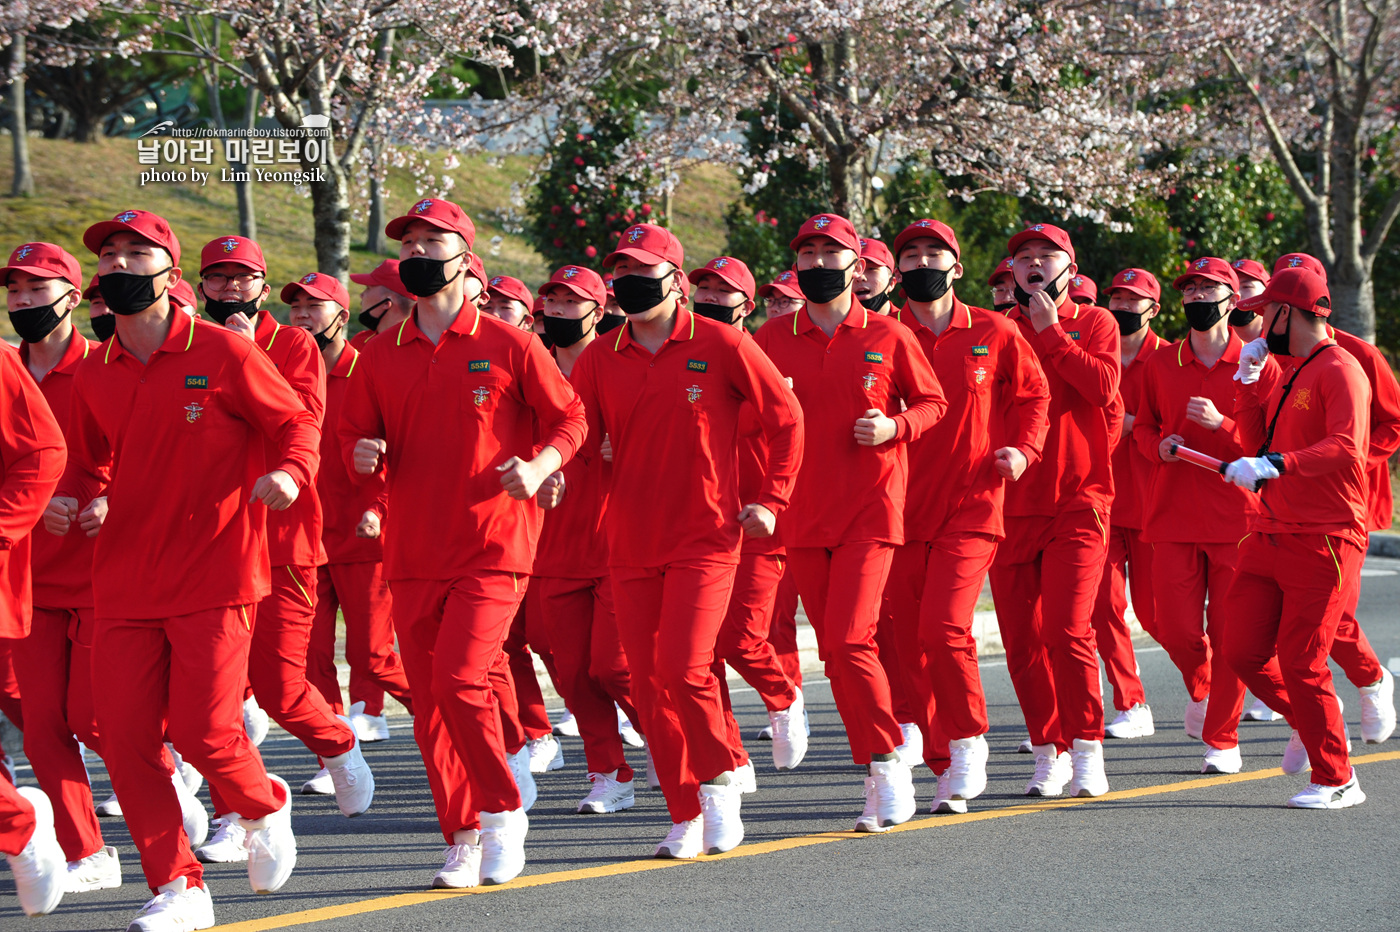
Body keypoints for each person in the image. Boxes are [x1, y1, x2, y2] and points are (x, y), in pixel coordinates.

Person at [59, 208, 317, 929]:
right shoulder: (95, 370)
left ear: (171, 273)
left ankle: (265, 803)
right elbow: (84, 463)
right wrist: (74, 500)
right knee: (128, 735)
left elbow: (295, 421)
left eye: (135, 254)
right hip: (124, 581)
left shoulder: (225, 353)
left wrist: (292, 474)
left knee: (207, 733)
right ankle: (180, 887)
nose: (117, 265)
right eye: (108, 255)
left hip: (217, 571)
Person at [340, 197, 586, 887]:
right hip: (414, 552)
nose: (418, 253)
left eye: (431, 242)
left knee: (459, 680)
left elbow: (571, 418)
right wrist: (365, 460)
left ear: (463, 254)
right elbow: (354, 437)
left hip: (495, 543)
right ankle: (463, 834)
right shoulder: (378, 353)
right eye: (408, 243)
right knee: (430, 713)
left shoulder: (509, 344)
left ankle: (503, 811)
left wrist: (540, 465)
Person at [571, 222, 802, 859]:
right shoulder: (600, 356)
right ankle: (683, 810)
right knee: (645, 681)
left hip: (706, 535)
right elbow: (575, 430)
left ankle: (720, 783)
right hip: (629, 539)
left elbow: (787, 420)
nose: (628, 282)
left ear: (674, 280)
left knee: (684, 666)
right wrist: (548, 466)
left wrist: (771, 500)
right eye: (620, 272)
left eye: (643, 271)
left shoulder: (723, 344)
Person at [754, 213, 946, 832]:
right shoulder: (771, 339)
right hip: (804, 515)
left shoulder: (889, 334)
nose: (814, 264)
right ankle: (880, 764)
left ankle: (888, 769)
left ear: (856, 268)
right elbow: (735, 413)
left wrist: (896, 427)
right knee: (836, 657)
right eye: (805, 254)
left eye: (827, 254)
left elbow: (934, 402)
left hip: (872, 510)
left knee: (846, 640)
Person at [197, 239, 373, 821]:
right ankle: (236, 814)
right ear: (199, 287)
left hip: (282, 543)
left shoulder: (293, 344)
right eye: (217, 280)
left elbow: (298, 426)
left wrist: (243, 355)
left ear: (262, 287)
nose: (229, 290)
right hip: (213, 548)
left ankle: (338, 743)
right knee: (217, 699)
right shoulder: (187, 347)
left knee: (279, 689)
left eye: (241, 279)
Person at [881, 219, 1050, 814]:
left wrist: (1023, 451)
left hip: (973, 506)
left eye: (935, 253)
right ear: (897, 271)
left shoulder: (994, 330)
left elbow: (1034, 397)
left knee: (943, 629)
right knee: (907, 643)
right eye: (911, 254)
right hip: (895, 511)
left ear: (955, 267)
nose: (922, 262)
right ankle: (942, 760)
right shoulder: (881, 334)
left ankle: (971, 738)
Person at [1222, 266, 1370, 808]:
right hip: (1272, 532)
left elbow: (1346, 447)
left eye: (1264, 314)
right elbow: (1251, 441)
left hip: (1326, 536)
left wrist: (1275, 465)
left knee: (1303, 660)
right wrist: (1243, 382)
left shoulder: (1340, 370)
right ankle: (1320, 726)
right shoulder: (1288, 368)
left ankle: (1337, 779)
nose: (1256, 323)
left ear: (1287, 313)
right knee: (1239, 651)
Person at [3, 242, 122, 894]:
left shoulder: (107, 368)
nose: (23, 302)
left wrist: (111, 497)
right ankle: (87, 854)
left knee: (95, 719)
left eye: (36, 290)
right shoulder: (6, 368)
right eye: (14, 291)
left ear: (72, 298)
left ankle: (173, 784)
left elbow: (155, 452)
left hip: (106, 574)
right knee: (44, 726)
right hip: (31, 578)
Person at [989, 223, 1121, 799]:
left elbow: (1103, 390)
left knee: (1069, 629)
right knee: (1021, 639)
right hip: (1009, 505)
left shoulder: (1097, 322)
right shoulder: (993, 328)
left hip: (1078, 500)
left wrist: (1052, 333)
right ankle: (1049, 750)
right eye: (1024, 258)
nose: (1034, 265)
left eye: (1047, 256)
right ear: (1011, 271)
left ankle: (1087, 747)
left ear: (1070, 266)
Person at [1134, 258, 1266, 773]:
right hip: (1172, 514)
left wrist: (1226, 425)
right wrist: (1157, 446)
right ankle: (1202, 685)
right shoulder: (1161, 363)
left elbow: (1270, 444)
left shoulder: (1257, 362)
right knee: (1174, 627)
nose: (1197, 298)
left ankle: (1223, 739)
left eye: (1209, 290)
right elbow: (1141, 428)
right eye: (1190, 290)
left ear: (1232, 301)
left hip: (1238, 518)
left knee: (1231, 632)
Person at [1262, 255, 1399, 744]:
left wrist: (1349, 461)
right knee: (1293, 621)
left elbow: (1390, 423)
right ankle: (1314, 710)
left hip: (1340, 505)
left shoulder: (1356, 357)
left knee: (1334, 616)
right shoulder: (1276, 356)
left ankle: (1370, 681)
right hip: (1283, 508)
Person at [690, 255, 808, 773]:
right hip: (699, 523)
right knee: (700, 654)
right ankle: (731, 758)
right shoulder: (683, 357)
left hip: (757, 522)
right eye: (705, 289)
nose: (712, 298)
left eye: (723, 291)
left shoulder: (759, 357)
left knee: (740, 635)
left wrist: (773, 500)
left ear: (746, 305)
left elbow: (791, 428)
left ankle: (785, 699)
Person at [532, 263, 642, 813]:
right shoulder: (532, 366)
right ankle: (609, 772)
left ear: (597, 313)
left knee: (615, 666)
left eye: (569, 302)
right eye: (550, 301)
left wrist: (628, 449)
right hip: (551, 545)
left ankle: (687, 745)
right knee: (573, 673)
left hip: (620, 542)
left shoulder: (619, 364)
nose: (555, 311)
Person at [293, 273, 415, 748]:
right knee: (311, 653)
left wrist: (379, 509)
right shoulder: (286, 374)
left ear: (342, 317)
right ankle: (335, 749)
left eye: (314, 305)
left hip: (363, 536)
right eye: (296, 305)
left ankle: (448, 714)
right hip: (305, 538)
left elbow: (398, 450)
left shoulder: (370, 370)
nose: (302, 313)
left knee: (375, 655)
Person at [1090, 267, 1166, 740]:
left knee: (1160, 617)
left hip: (1157, 506)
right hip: (1102, 501)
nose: (1121, 307)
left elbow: (1176, 424)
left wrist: (1133, 422)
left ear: (1152, 309)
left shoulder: (1170, 359)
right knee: (1104, 607)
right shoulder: (1098, 353)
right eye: (1115, 299)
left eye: (1132, 300)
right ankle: (1132, 701)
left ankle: (1206, 686)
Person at [350, 260, 414, 349]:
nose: (361, 295)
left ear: (386, 303)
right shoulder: (360, 341)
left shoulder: (419, 349)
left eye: (368, 288)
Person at [854, 238, 897, 313]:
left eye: (871, 269)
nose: (860, 277)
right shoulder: (830, 323)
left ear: (891, 283)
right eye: (855, 269)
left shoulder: (907, 323)